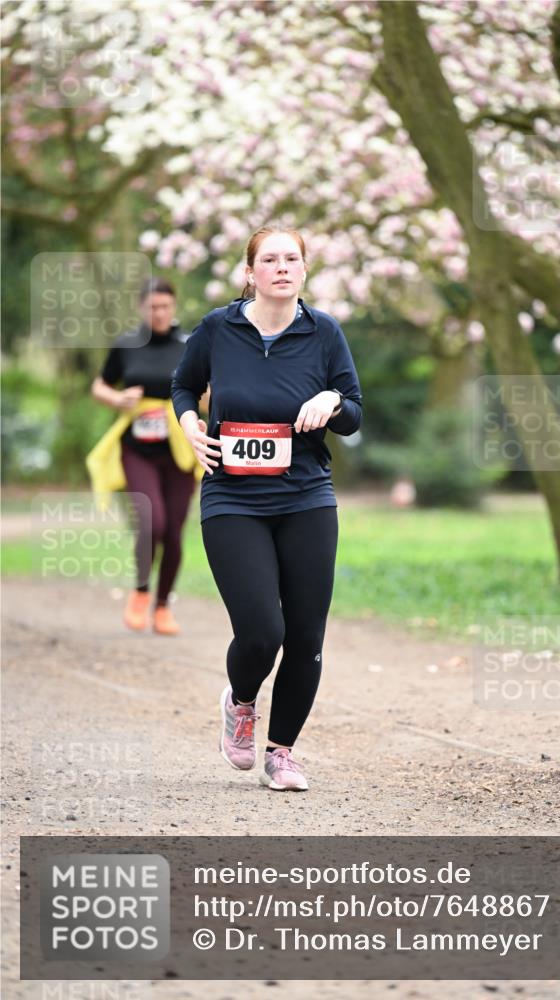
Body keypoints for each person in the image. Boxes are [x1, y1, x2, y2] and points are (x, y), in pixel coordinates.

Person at [171, 226, 362, 791]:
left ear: (304, 270)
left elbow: (354, 411)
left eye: (291, 259)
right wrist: (190, 427)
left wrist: (332, 399)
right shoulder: (218, 328)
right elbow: (183, 386)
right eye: (270, 259)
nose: (282, 267)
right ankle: (241, 700)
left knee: (305, 635)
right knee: (261, 631)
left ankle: (282, 753)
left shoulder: (323, 332)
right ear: (250, 272)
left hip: (306, 495)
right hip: (232, 496)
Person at [89, 277, 200, 635]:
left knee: (174, 531)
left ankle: (163, 606)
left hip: (180, 450)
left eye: (165, 306)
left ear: (174, 306)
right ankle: (140, 592)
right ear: (141, 308)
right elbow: (100, 385)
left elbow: (208, 391)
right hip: (137, 449)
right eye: (152, 307)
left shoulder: (191, 345)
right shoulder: (127, 345)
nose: (159, 313)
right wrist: (117, 399)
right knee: (153, 522)